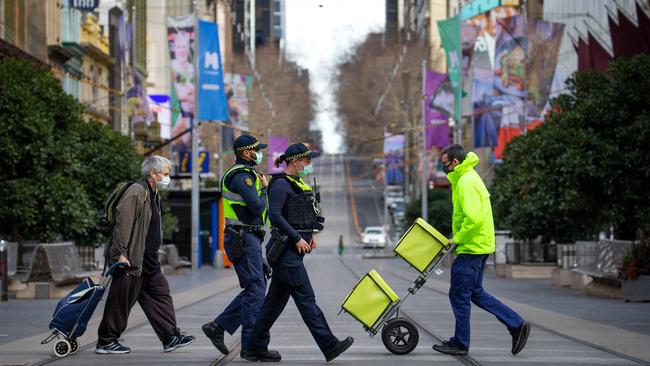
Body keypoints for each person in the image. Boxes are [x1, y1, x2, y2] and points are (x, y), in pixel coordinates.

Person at [245, 143, 354, 363]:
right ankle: (329, 345)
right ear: (295, 161)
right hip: (286, 254)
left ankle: (254, 347)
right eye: (307, 161)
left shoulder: (297, 184)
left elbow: (299, 216)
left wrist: (309, 236)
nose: (309, 165)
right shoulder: (280, 185)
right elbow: (275, 216)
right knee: (307, 300)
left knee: (272, 305)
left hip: (292, 253)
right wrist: (296, 238)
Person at [432, 144, 530, 356]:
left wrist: (455, 240)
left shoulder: (466, 181)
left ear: (455, 162)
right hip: (480, 246)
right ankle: (516, 324)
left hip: (471, 248)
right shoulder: (468, 177)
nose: (444, 168)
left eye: (445, 164)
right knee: (475, 293)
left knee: (459, 294)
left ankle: (460, 343)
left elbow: (473, 218)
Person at [96, 156, 195, 354]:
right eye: (165, 174)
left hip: (148, 260)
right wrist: (120, 254)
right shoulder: (137, 191)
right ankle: (106, 341)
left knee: (161, 295)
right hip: (131, 259)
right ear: (152, 173)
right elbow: (123, 225)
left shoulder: (153, 193)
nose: (168, 177)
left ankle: (170, 337)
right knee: (121, 300)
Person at [202, 135, 276, 359]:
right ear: (246, 153)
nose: (259, 153)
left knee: (255, 286)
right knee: (255, 288)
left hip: (248, 237)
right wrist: (264, 189)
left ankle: (218, 327)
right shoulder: (241, 176)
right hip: (243, 237)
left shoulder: (247, 174)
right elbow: (256, 207)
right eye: (256, 150)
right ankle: (250, 347)